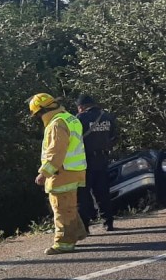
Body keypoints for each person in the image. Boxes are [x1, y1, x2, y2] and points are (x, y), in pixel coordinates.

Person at [28, 93, 88, 255]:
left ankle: (63, 243)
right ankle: (78, 232)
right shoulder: (70, 118)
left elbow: (56, 152)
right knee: (68, 205)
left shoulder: (56, 124)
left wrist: (44, 173)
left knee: (61, 208)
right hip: (74, 170)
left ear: (41, 111)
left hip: (62, 172)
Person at [75, 93, 118, 231]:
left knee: (84, 195)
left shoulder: (80, 118)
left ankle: (85, 227)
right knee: (103, 192)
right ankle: (108, 223)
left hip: (86, 161)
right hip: (103, 159)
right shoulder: (107, 117)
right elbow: (114, 137)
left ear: (81, 107)